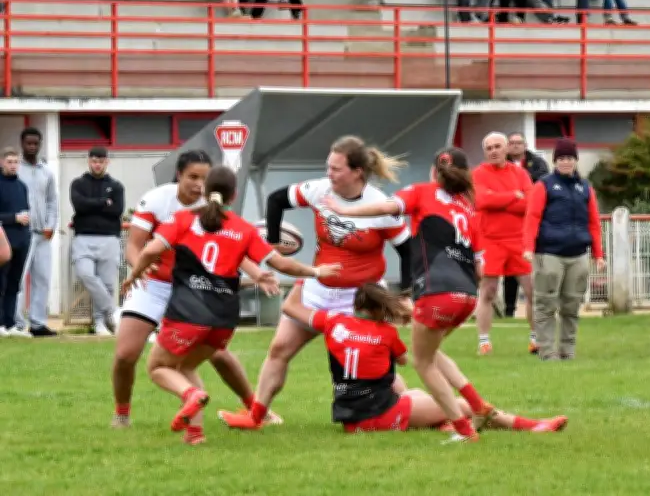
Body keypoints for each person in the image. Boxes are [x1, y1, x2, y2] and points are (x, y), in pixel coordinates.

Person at [122, 165, 340, 444]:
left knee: (158, 368)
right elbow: (281, 263)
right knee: (187, 367)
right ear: (234, 195)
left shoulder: (183, 219)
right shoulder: (243, 229)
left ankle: (191, 395)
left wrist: (134, 275)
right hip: (223, 319)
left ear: (205, 189)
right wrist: (317, 272)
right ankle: (195, 434)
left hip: (188, 313)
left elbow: (151, 250)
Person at [218, 136, 413, 430]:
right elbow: (276, 200)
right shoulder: (318, 190)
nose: (329, 174)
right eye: (328, 167)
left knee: (370, 363)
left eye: (336, 169)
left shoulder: (378, 206)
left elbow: (408, 251)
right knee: (279, 349)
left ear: (357, 172)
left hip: (359, 298)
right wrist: (273, 242)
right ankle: (256, 416)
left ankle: (416, 409)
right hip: (317, 288)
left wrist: (408, 294)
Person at [317, 147, 500, 443]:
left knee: (423, 362)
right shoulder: (469, 209)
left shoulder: (422, 192)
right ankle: (478, 406)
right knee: (433, 352)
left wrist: (345, 210)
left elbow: (386, 209)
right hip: (467, 297)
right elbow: (480, 267)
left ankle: (464, 430)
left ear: (433, 172)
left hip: (436, 293)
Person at [110, 150, 279, 429]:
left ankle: (255, 410)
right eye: (192, 177)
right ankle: (122, 414)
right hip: (154, 285)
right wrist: (140, 266)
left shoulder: (211, 206)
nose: (199, 184)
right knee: (126, 354)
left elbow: (235, 247)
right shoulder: (156, 200)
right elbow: (134, 245)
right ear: (179, 175)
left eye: (204, 177)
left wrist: (258, 273)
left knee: (218, 354)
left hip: (194, 288)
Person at [280, 280, 569, 435]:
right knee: (458, 405)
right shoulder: (386, 334)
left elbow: (290, 307)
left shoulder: (332, 322)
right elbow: (414, 360)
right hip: (377, 417)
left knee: (411, 389)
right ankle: (530, 426)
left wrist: (306, 275)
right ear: (382, 308)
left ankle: (439, 422)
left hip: (350, 417)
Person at [523, 140, 604, 361]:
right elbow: (533, 217)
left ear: (575, 160)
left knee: (572, 305)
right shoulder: (544, 185)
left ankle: (568, 351)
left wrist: (598, 254)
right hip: (549, 253)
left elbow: (594, 222)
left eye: (569, 158)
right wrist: (529, 247)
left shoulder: (585, 188)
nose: (566, 162)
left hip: (578, 254)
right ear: (555, 161)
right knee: (546, 304)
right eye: (561, 159)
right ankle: (547, 352)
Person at [472, 132, 535, 356]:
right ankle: (484, 341)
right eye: (489, 148)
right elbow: (480, 200)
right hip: (490, 240)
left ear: (507, 148)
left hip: (518, 240)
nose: (494, 151)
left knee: (532, 290)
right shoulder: (477, 174)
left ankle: (536, 339)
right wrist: (513, 196)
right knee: (488, 292)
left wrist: (498, 199)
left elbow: (529, 204)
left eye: (498, 146)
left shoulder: (520, 173)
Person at [70, 146, 125, 337]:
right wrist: (103, 202)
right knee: (85, 274)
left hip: (109, 238)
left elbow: (117, 210)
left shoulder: (116, 186)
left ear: (107, 162)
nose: (97, 164)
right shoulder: (78, 184)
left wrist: (92, 204)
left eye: (101, 161)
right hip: (83, 237)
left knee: (108, 283)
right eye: (94, 161)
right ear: (88, 161)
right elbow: (79, 205)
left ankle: (100, 323)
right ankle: (112, 310)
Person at [502, 132, 548, 320]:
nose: (514, 146)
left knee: (533, 267)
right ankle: (509, 309)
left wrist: (517, 188)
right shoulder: (500, 164)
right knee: (510, 271)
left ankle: (540, 307)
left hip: (532, 219)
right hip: (508, 222)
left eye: (518, 143)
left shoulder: (537, 163)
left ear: (525, 144)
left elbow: (541, 183)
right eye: (511, 143)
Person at [16, 127, 58, 337]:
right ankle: (17, 323)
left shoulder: (47, 171)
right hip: (21, 232)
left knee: (42, 278)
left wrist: (51, 225)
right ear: (22, 144)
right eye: (28, 143)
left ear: (40, 144)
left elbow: (52, 201)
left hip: (43, 234)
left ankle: (38, 323)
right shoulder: (15, 169)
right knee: (19, 279)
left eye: (35, 143)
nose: (32, 147)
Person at [0, 148, 32, 338]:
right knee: (1, 282)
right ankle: (0, 322)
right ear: (2, 162)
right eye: (9, 161)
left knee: (14, 283)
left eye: (15, 162)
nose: (13, 165)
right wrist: (14, 218)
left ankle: (11, 323)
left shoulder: (22, 186)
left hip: (22, 240)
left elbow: (26, 212)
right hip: (3, 241)